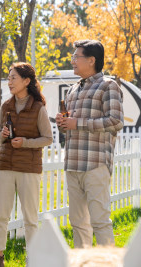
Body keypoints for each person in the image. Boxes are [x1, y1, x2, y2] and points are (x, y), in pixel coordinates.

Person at [55, 40, 123, 248]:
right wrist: (63, 124)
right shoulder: (73, 89)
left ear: (91, 60)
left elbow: (116, 121)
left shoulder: (108, 86)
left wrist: (78, 123)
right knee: (78, 224)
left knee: (100, 222)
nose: (73, 61)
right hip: (73, 165)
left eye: (77, 57)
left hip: (96, 164)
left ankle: (107, 262)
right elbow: (70, 128)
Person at [0, 62, 53, 267]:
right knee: (1, 215)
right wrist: (1, 136)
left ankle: (32, 259)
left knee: (30, 218)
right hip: (4, 167)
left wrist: (25, 143)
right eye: (8, 78)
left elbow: (48, 138)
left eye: (13, 78)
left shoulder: (38, 107)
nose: (9, 82)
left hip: (29, 169)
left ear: (26, 81)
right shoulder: (5, 106)